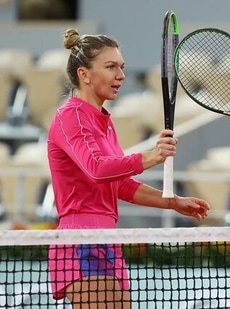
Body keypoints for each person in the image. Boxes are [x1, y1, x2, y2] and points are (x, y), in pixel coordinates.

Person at [47, 28, 210, 308]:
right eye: (110, 67)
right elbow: (97, 168)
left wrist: (172, 202)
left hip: (109, 237)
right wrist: (152, 156)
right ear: (84, 75)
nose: (121, 75)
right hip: (80, 237)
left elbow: (118, 184)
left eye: (121, 67)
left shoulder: (104, 121)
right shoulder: (70, 116)